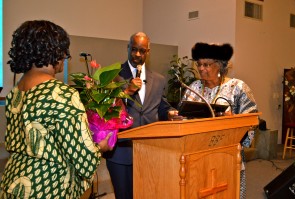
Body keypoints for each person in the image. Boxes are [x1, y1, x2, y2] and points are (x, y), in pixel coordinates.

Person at [0, 20, 112, 199]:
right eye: (64, 50)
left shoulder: (16, 91)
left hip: (14, 182)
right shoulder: (60, 93)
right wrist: (101, 147)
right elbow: (85, 161)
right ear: (54, 51)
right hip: (47, 186)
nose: (66, 56)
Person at [103, 32, 178, 199]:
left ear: (148, 52)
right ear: (128, 47)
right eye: (134, 49)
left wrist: (171, 113)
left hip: (149, 150)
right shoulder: (112, 75)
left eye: (142, 51)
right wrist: (127, 91)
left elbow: (161, 107)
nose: (137, 54)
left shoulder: (158, 79)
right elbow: (103, 109)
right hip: (120, 151)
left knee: (147, 193)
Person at [181, 42, 258, 199]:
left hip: (228, 155)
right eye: (199, 64)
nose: (201, 68)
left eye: (207, 64)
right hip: (197, 155)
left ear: (221, 66)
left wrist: (233, 121)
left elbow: (252, 120)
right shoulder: (194, 87)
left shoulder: (237, 87)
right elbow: (184, 117)